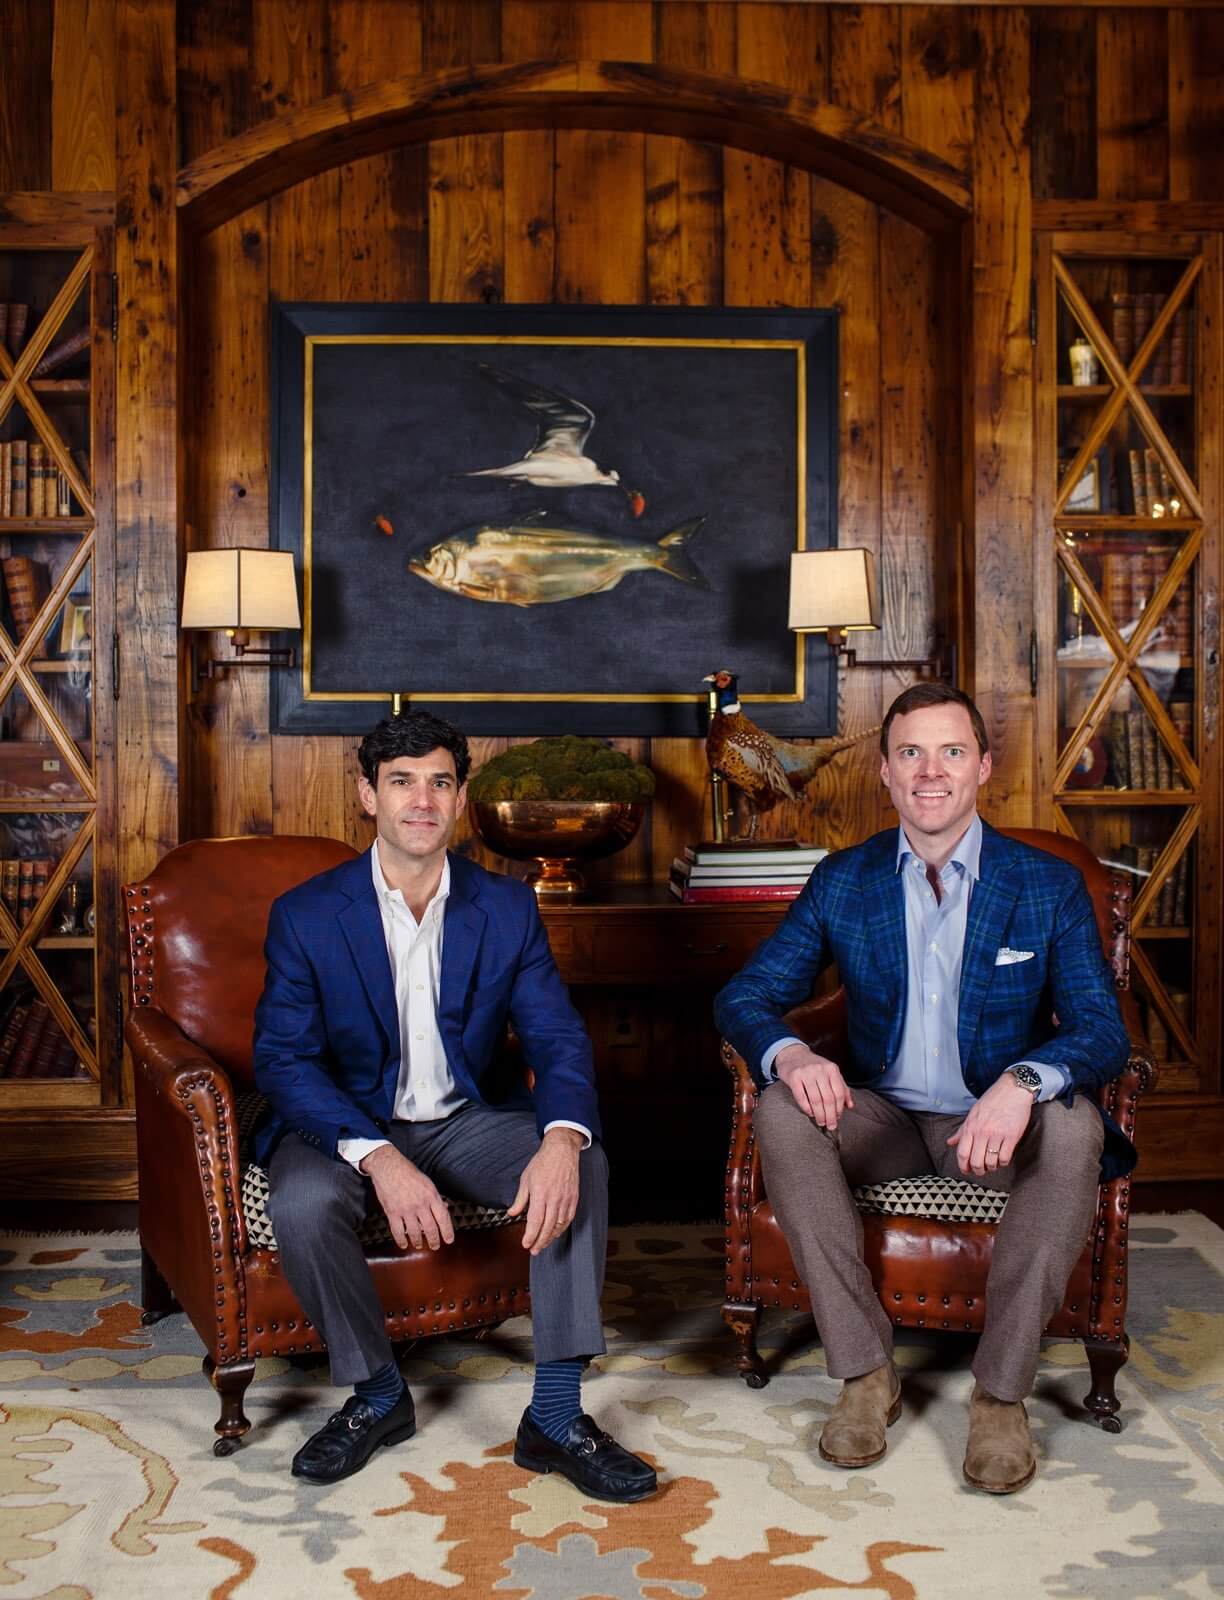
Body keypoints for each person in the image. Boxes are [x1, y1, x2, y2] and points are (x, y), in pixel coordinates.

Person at [714, 683, 1134, 1495]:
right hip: (887, 1117)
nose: (929, 772)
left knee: (1078, 1130)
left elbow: (1101, 1030)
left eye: (949, 753)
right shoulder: (846, 880)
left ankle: (1002, 1394)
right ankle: (866, 1372)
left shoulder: (1045, 886)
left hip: (995, 1125)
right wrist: (794, 1055)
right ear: (885, 771)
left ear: (982, 766)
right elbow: (744, 997)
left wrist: (1022, 1081)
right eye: (910, 753)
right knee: (779, 1109)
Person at [253, 709, 656, 1500]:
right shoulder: (306, 913)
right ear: (367, 796)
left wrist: (562, 1139)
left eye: (440, 781)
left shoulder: (504, 907)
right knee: (300, 1202)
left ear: (462, 797)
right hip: (345, 1121)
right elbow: (284, 1060)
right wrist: (378, 1155)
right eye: (401, 782)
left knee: (584, 1163)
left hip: (464, 1119)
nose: (421, 800)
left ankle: (556, 1416)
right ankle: (376, 1396)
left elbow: (558, 1039)